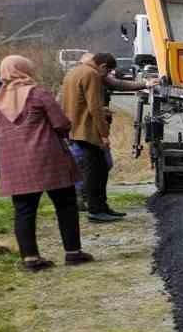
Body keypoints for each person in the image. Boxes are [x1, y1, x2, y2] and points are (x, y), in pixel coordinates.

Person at [0, 55, 92, 272]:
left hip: (15, 165)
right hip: (49, 159)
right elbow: (61, 124)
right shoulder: (37, 93)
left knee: (24, 210)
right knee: (65, 204)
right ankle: (73, 253)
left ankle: (31, 259)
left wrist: (1, 163)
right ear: (25, 69)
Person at [59, 52, 152, 222]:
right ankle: (96, 210)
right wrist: (104, 134)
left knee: (99, 168)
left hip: (74, 129)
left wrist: (144, 84)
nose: (107, 75)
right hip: (87, 131)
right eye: (107, 71)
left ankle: (102, 207)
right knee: (96, 172)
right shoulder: (92, 74)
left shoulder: (74, 72)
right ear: (102, 66)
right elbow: (95, 107)